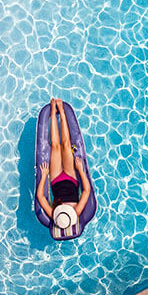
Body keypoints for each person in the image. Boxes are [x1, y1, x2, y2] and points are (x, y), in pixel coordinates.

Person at [36, 98, 91, 229]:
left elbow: (40, 197)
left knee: (56, 146)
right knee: (66, 145)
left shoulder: (55, 215)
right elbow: (86, 191)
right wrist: (80, 170)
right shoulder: (76, 211)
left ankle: (54, 112)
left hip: (55, 179)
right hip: (72, 178)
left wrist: (44, 176)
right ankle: (61, 111)